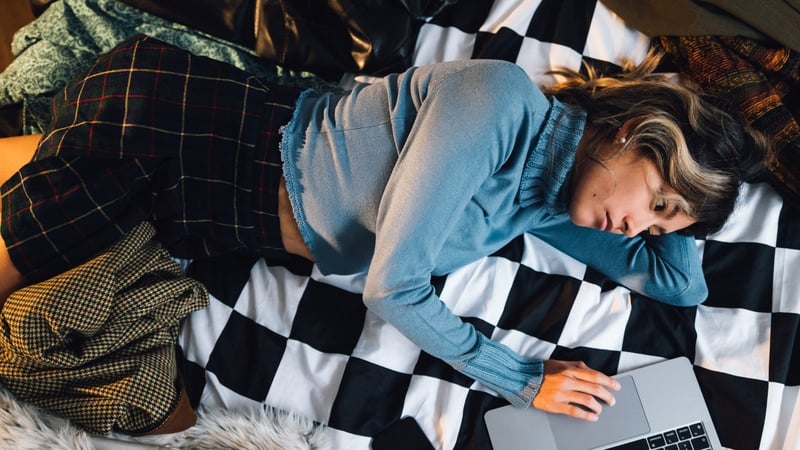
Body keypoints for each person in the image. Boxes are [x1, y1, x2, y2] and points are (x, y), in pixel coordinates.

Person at [0, 35, 768, 422]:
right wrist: (526, 381)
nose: (638, 227)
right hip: (179, 132)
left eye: (660, 222)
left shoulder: (559, 200)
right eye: (657, 202)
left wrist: (698, 196)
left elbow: (677, 282)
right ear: (637, 133)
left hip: (198, 213)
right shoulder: (499, 101)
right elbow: (393, 288)